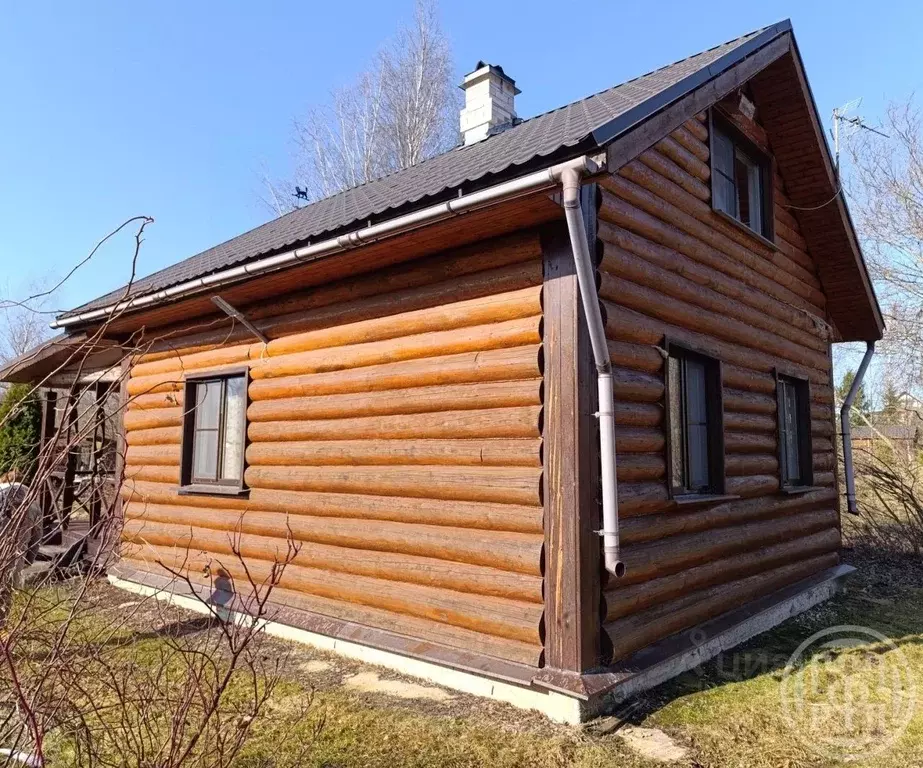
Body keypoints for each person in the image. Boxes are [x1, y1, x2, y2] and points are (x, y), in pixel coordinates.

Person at [0, 469, 43, 576]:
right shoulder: (33, 504)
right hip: (17, 558)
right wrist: (29, 559)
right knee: (12, 580)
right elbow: (37, 534)